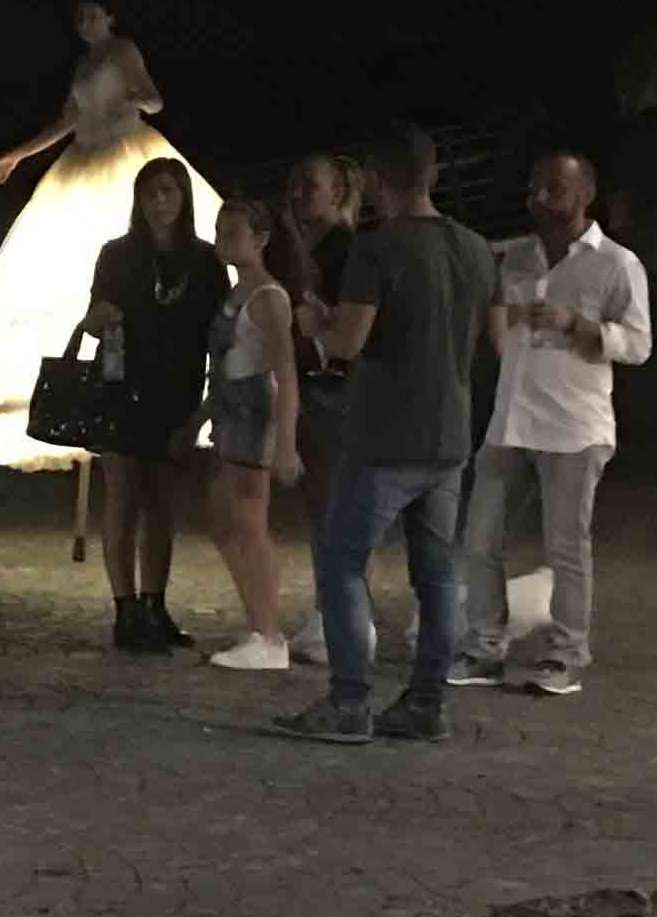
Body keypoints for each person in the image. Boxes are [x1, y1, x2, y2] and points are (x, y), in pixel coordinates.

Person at [276, 124, 496, 745]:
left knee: (342, 562)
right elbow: (498, 340)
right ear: (433, 174)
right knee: (438, 575)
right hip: (449, 432)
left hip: (384, 434)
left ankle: (350, 703)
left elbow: (349, 342)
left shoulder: (378, 249)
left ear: (374, 180)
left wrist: (317, 323)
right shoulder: (476, 248)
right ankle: (426, 702)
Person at [0, 0, 219, 468]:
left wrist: (132, 102)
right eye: (79, 18)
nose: (85, 24)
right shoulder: (83, 64)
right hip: (83, 156)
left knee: (145, 235)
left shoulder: (122, 50)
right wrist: (19, 155)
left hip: (125, 148)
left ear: (110, 18)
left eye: (93, 15)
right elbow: (68, 120)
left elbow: (154, 99)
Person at [452, 151, 652, 696]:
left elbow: (639, 344)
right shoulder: (517, 258)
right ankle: (483, 645)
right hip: (512, 419)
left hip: (574, 427)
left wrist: (579, 325)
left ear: (585, 195)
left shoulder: (616, 263)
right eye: (535, 188)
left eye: (553, 189)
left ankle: (565, 654)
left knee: (566, 548)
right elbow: (495, 323)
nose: (539, 199)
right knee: (479, 539)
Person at [78, 157, 228, 652]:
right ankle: (125, 610)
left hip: (176, 391)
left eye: (169, 191)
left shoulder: (205, 261)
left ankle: (154, 604)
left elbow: (220, 331)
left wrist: (210, 402)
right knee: (122, 498)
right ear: (138, 201)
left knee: (162, 503)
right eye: (150, 192)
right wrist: (99, 318)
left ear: (183, 198)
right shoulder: (117, 255)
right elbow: (95, 317)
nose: (160, 201)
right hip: (122, 388)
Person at [196, 198, 308, 672]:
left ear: (260, 239)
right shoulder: (236, 293)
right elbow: (222, 366)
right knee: (224, 521)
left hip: (255, 418)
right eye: (220, 231)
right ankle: (258, 624)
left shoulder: (268, 298)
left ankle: (269, 633)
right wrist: (201, 416)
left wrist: (286, 443)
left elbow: (286, 373)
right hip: (230, 415)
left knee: (248, 523)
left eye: (233, 232)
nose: (223, 240)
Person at [276, 152, 367, 666]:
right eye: (295, 184)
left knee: (333, 513)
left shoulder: (345, 253)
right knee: (324, 512)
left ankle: (339, 621)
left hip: (335, 391)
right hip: (320, 389)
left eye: (309, 185)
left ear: (337, 192)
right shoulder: (311, 249)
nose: (297, 194)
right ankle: (331, 614)